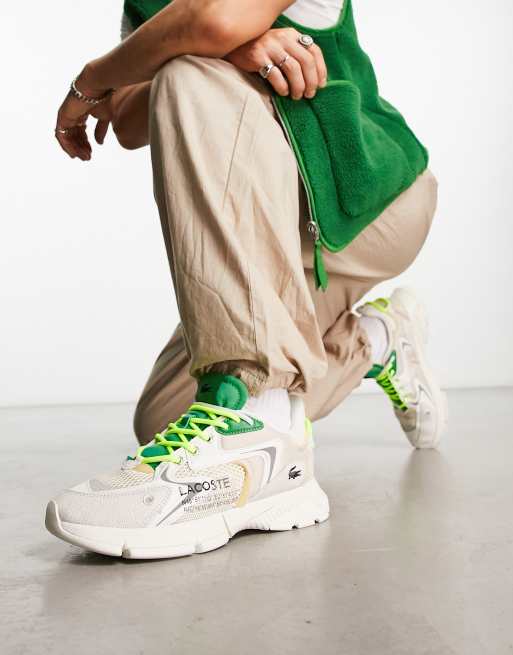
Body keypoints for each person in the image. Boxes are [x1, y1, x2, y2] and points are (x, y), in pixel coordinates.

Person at [46, 0, 447, 559]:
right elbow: (132, 120)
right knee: (163, 418)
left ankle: (261, 433)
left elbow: (212, 19)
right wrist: (233, 52)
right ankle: (377, 341)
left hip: (371, 207)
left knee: (190, 71)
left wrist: (93, 77)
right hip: (270, 228)